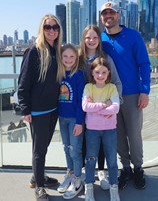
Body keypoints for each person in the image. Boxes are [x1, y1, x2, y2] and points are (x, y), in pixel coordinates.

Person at [100, 2, 151, 190]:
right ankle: (126, 168)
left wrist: (144, 90)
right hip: (110, 96)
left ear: (118, 15)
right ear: (101, 17)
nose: (108, 16)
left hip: (132, 95)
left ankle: (138, 168)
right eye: (105, 13)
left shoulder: (133, 36)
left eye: (111, 13)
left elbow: (144, 64)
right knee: (118, 135)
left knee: (134, 135)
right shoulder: (100, 38)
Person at [18, 14, 63, 201]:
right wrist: (25, 109)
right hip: (38, 110)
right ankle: (40, 187)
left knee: (43, 147)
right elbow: (23, 82)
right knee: (39, 150)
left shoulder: (57, 51)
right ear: (41, 30)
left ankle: (37, 176)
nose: (51, 30)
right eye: (47, 27)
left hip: (53, 109)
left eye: (55, 27)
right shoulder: (34, 51)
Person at [79, 24, 122, 190]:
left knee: (103, 141)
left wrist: (114, 104)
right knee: (85, 141)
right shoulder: (79, 58)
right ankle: (84, 172)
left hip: (101, 110)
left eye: (95, 37)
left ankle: (102, 170)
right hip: (82, 105)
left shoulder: (106, 59)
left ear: (100, 39)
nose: (91, 40)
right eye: (88, 37)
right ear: (83, 39)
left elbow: (116, 82)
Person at [82, 57, 120, 201]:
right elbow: (85, 107)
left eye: (104, 72)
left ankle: (114, 188)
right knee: (90, 159)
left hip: (110, 130)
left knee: (112, 160)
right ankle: (89, 187)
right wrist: (105, 105)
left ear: (108, 73)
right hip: (92, 130)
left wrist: (95, 109)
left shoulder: (112, 88)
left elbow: (115, 108)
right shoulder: (88, 88)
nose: (100, 75)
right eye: (97, 72)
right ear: (92, 72)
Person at [57, 43, 85, 199]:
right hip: (62, 118)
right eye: (65, 56)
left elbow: (81, 99)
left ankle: (77, 178)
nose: (68, 59)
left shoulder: (78, 75)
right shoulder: (59, 74)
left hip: (75, 119)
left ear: (76, 58)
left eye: (72, 56)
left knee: (75, 150)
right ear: (61, 57)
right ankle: (69, 173)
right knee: (66, 148)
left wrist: (80, 122)